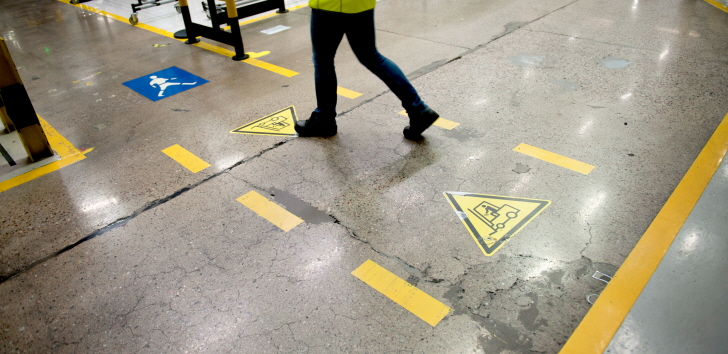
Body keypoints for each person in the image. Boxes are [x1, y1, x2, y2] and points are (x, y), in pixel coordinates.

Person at [295, 0, 440, 140]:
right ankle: (418, 109)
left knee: (323, 61)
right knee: (371, 57)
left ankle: (324, 120)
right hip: (361, 4)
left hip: (329, 6)